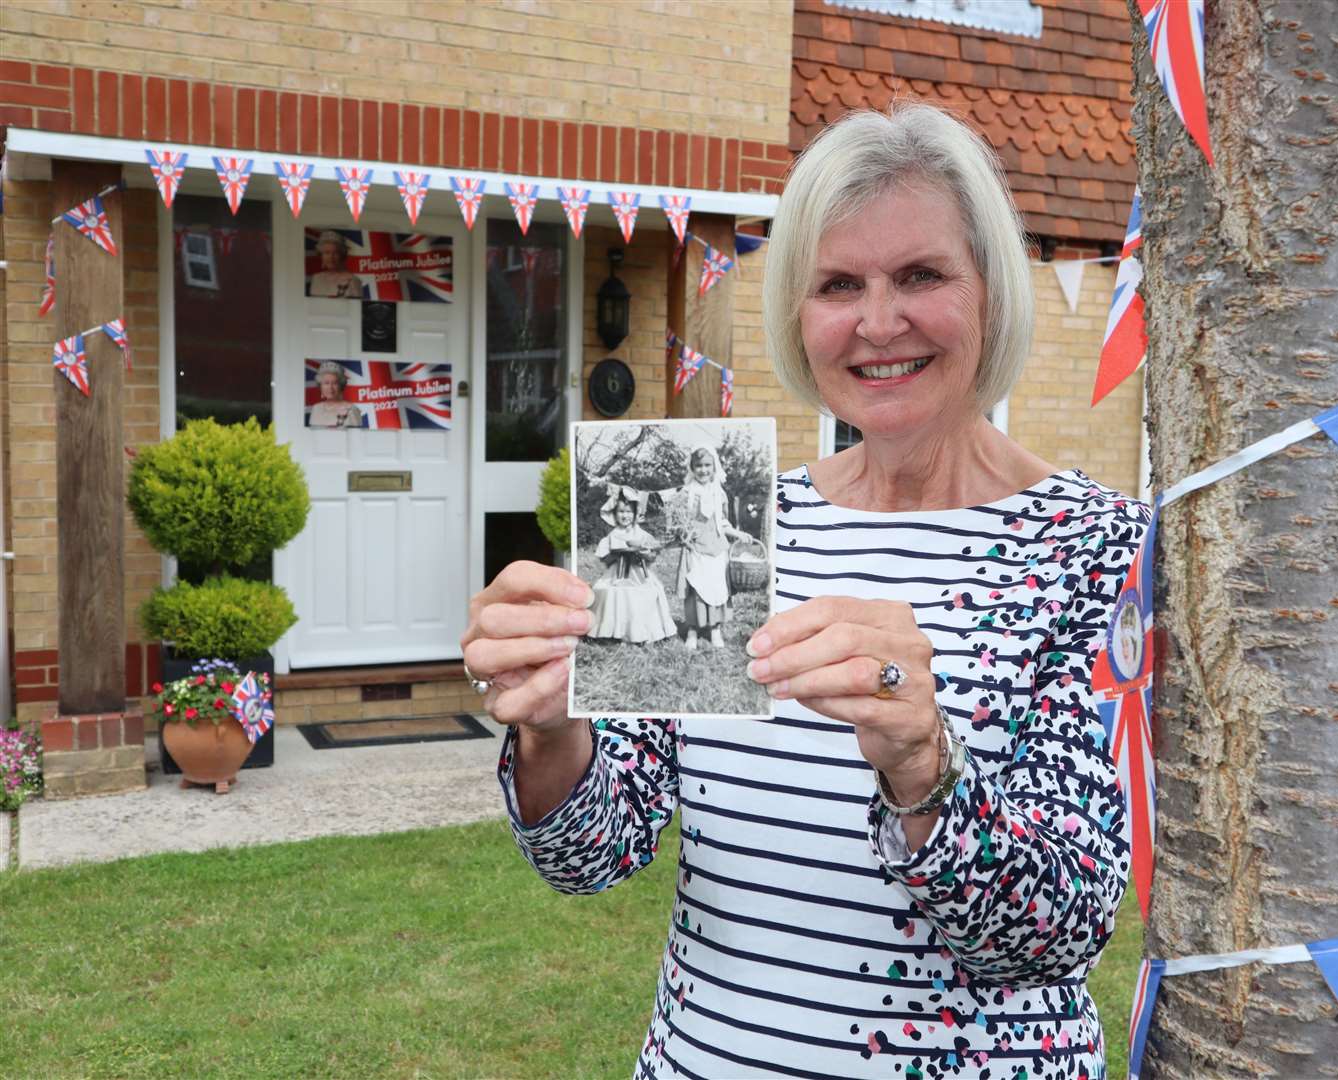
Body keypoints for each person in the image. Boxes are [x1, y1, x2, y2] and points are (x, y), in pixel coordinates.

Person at [462, 102, 1148, 1078]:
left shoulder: (1095, 547)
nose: (878, 322)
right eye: (837, 284)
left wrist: (924, 761)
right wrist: (552, 725)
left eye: (921, 275)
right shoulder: (709, 511)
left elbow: (1060, 931)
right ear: (798, 314)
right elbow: (593, 853)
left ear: (992, 291)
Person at [672, 445, 749, 650]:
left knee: (716, 587)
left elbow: (722, 522)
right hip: (695, 546)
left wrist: (738, 534)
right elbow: (678, 521)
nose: (703, 470)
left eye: (707, 465)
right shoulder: (686, 493)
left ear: (714, 467)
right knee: (697, 587)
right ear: (692, 467)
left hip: (716, 546)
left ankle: (715, 628)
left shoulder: (719, 493)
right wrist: (684, 533)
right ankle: (693, 630)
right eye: (698, 466)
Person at [587, 487, 677, 645]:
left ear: (635, 514)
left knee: (644, 593)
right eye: (621, 511)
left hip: (638, 573)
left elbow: (652, 555)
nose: (625, 515)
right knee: (612, 594)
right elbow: (605, 559)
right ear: (614, 514)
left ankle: (642, 632)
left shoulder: (641, 534)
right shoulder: (612, 535)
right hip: (617, 573)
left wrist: (644, 553)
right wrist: (614, 555)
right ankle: (614, 632)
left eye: (629, 512)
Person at [308, 230, 363, 298]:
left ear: (342, 255)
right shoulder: (316, 278)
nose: (331, 257)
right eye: (327, 253)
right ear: (321, 255)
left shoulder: (353, 281)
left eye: (336, 253)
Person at [308, 361, 362, 428]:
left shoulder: (352, 410)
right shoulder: (316, 409)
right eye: (326, 383)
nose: (330, 387)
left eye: (335, 383)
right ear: (320, 386)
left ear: (341, 385)